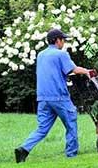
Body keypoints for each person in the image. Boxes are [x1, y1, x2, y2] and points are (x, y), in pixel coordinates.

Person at [14, 28, 91, 163]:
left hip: (43, 98)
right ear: (57, 40)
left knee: (42, 129)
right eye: (63, 39)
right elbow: (73, 69)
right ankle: (71, 155)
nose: (64, 42)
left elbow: (53, 72)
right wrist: (87, 71)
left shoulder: (41, 55)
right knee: (71, 122)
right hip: (59, 97)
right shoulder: (61, 54)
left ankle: (23, 149)